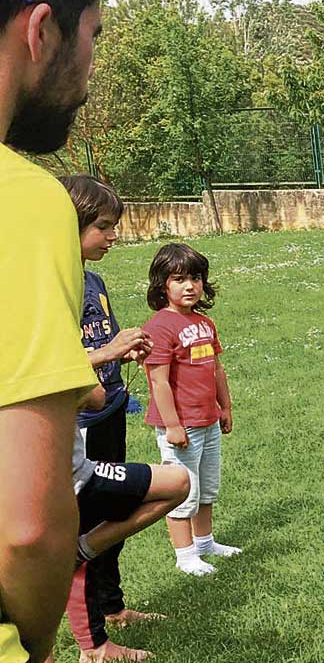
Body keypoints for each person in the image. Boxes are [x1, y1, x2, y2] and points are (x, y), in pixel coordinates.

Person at [0, 0, 104, 661]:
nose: (92, 72)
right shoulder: (26, 203)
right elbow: (29, 526)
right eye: (94, 37)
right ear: (41, 32)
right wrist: (34, 642)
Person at [63, 175, 191, 663]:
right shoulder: (53, 285)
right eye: (103, 227)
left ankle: (113, 607)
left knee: (112, 516)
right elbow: (51, 366)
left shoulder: (93, 280)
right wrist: (106, 352)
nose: (114, 236)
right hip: (79, 422)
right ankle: (92, 640)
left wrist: (123, 351)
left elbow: (100, 342)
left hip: (110, 408)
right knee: (88, 521)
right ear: (69, 226)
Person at [141, 243, 240, 577]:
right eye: (180, 279)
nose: (190, 286)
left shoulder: (204, 323)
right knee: (183, 489)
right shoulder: (159, 326)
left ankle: (205, 543)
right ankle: (185, 556)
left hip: (208, 420)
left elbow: (216, 369)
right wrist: (172, 425)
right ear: (162, 285)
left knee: (207, 487)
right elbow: (159, 382)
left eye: (195, 278)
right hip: (181, 425)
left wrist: (224, 406)